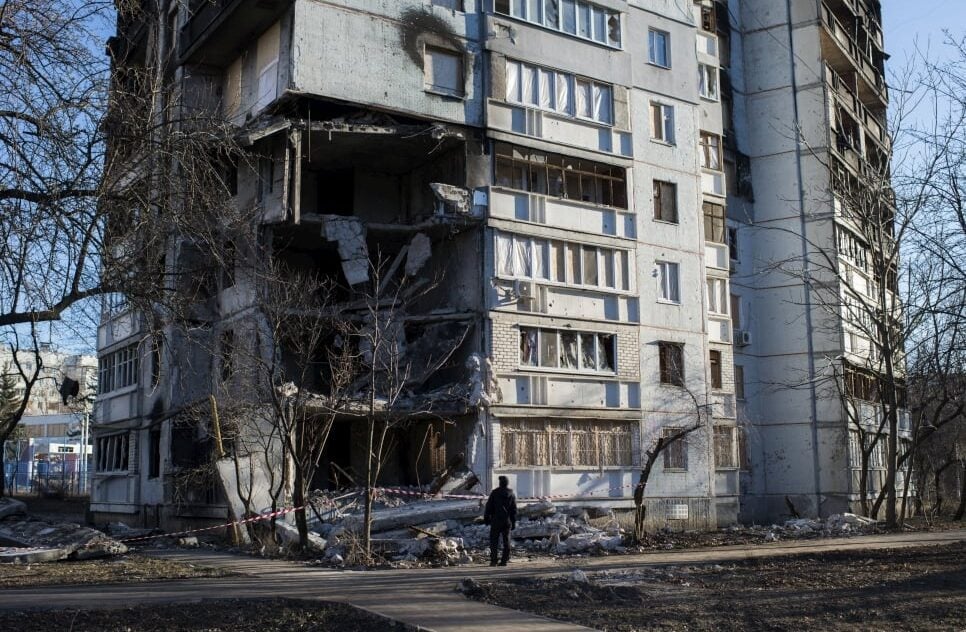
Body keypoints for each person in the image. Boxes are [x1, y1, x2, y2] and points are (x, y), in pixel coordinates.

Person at [483, 475, 517, 566]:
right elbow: (514, 510)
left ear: (500, 483)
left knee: (494, 541)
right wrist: (513, 522)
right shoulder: (512, 494)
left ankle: (494, 560)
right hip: (507, 521)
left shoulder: (494, 493)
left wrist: (486, 518)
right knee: (507, 541)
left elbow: (489, 506)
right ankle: (504, 560)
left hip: (496, 520)